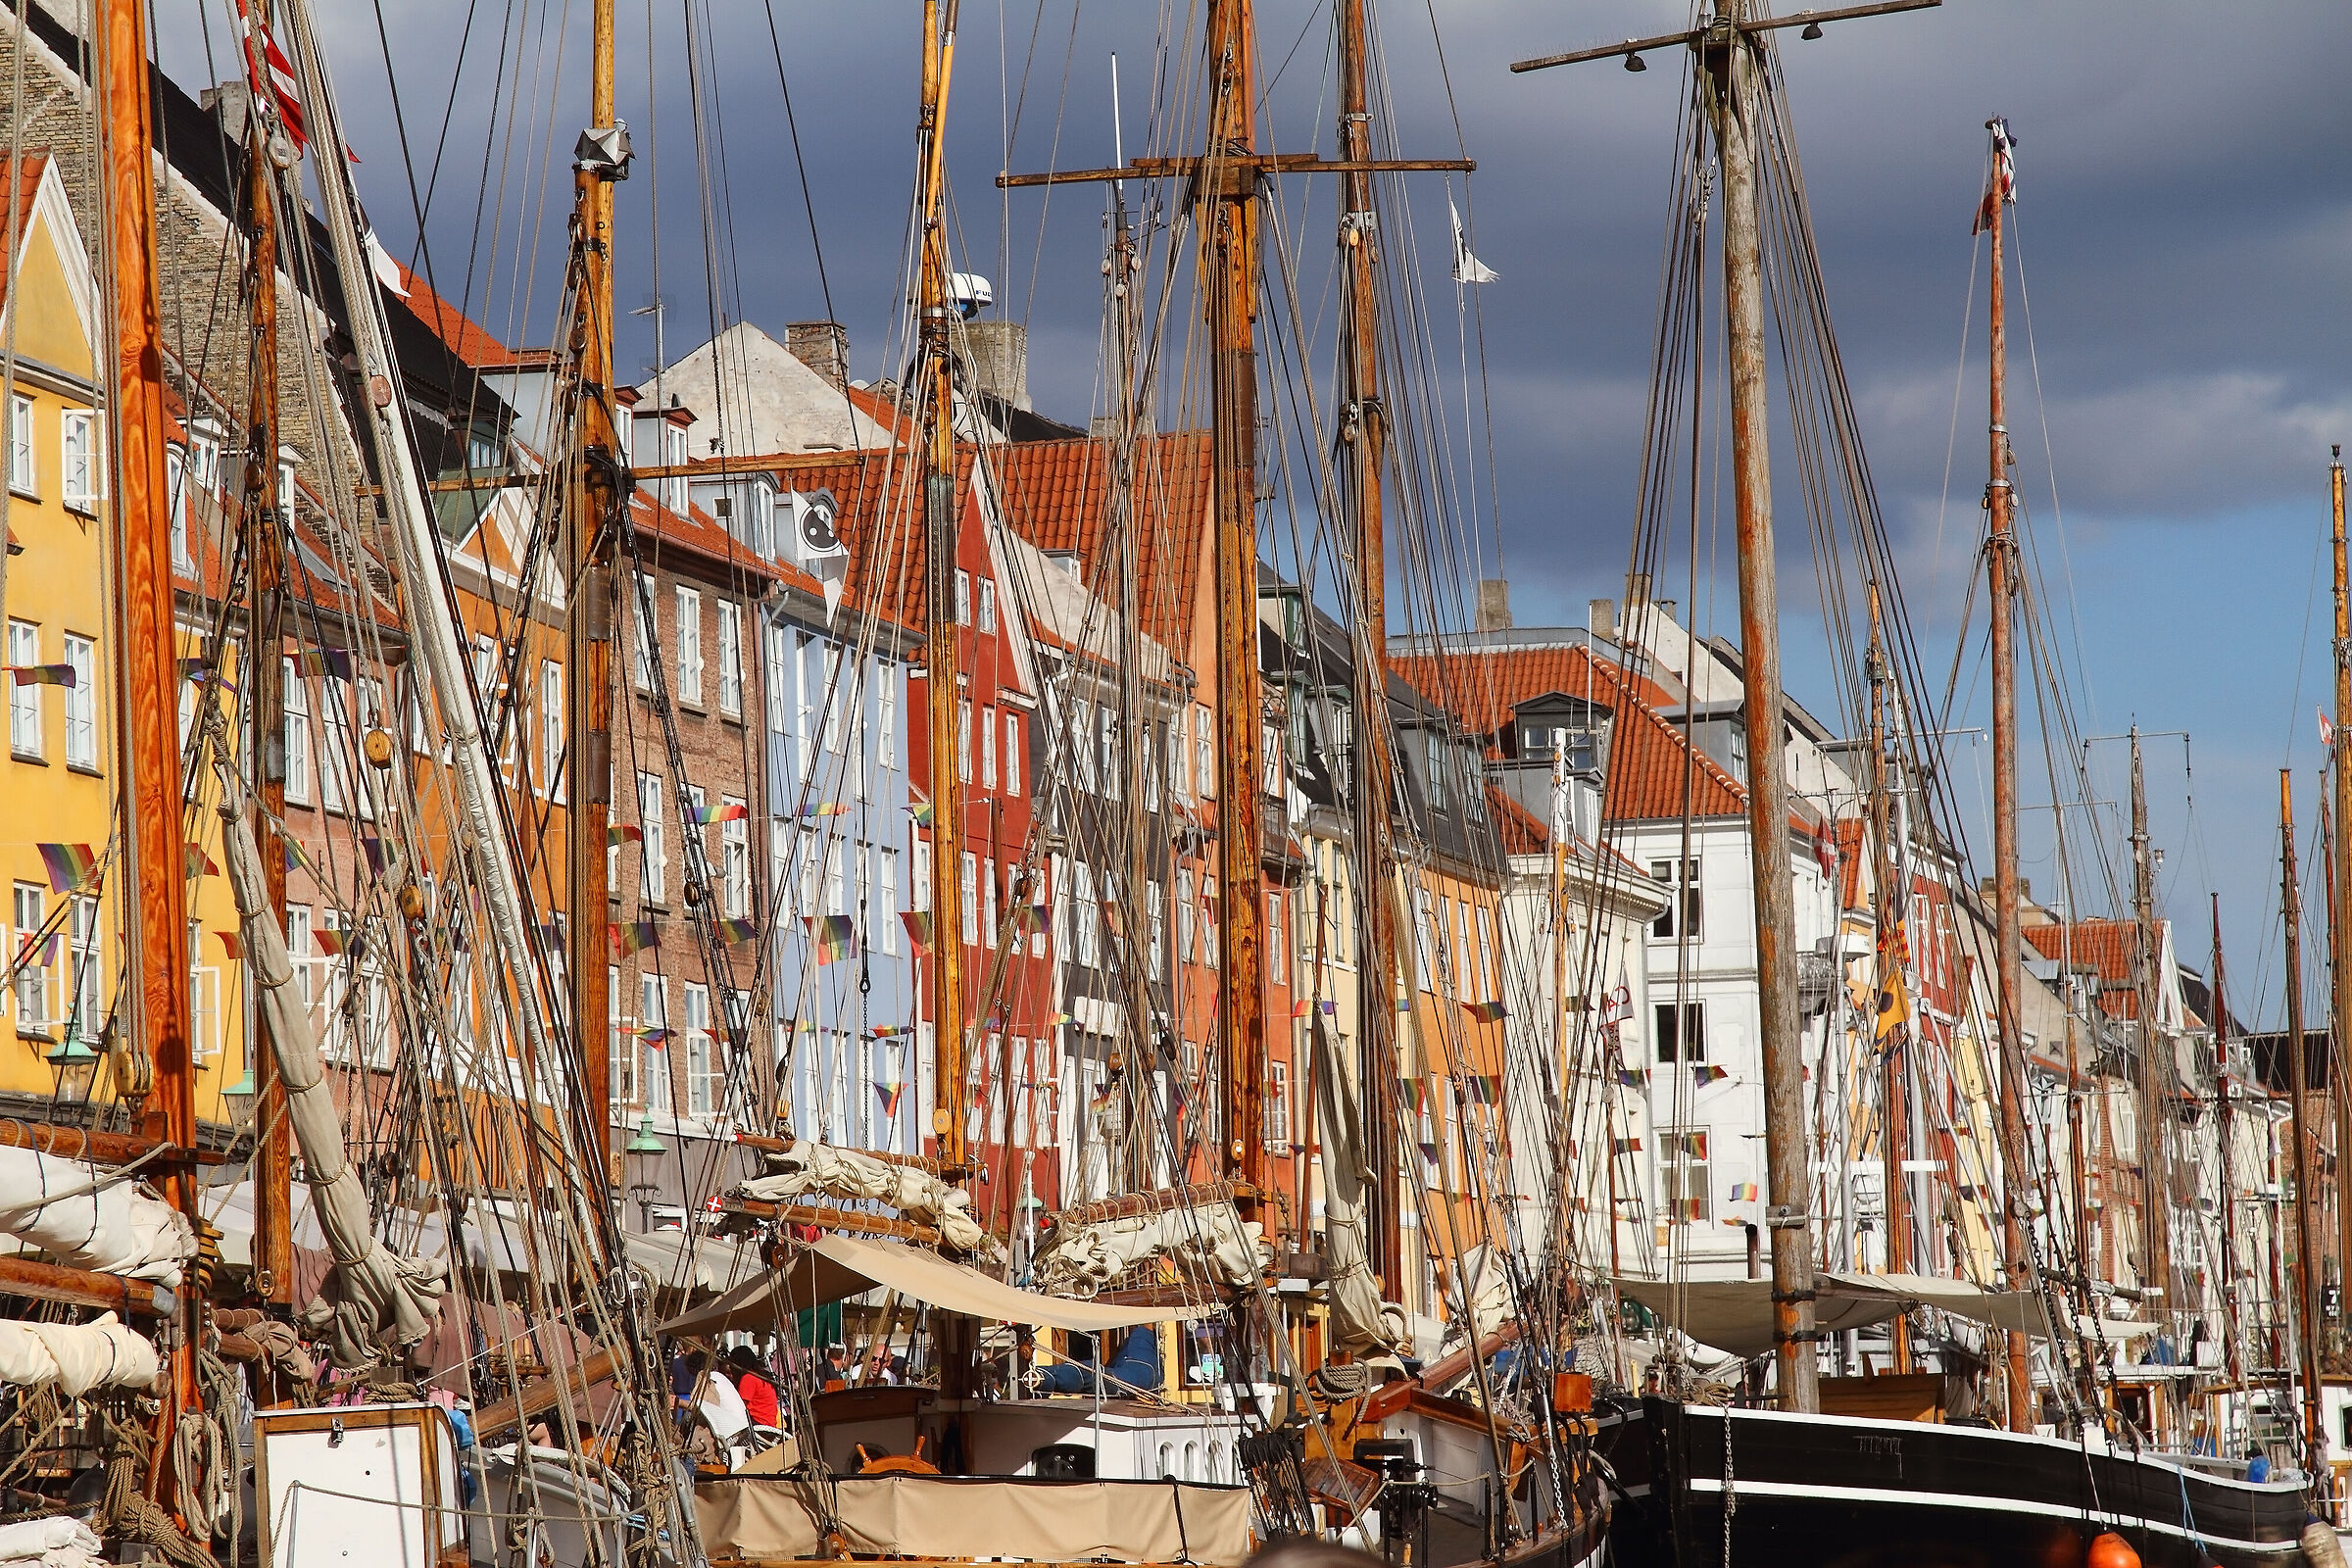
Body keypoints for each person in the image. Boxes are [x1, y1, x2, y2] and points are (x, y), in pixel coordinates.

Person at [728, 1347, 780, 1430]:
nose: (730, 1367)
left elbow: (739, 1406)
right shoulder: (761, 1377)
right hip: (769, 1424)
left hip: (758, 1424)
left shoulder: (749, 1378)